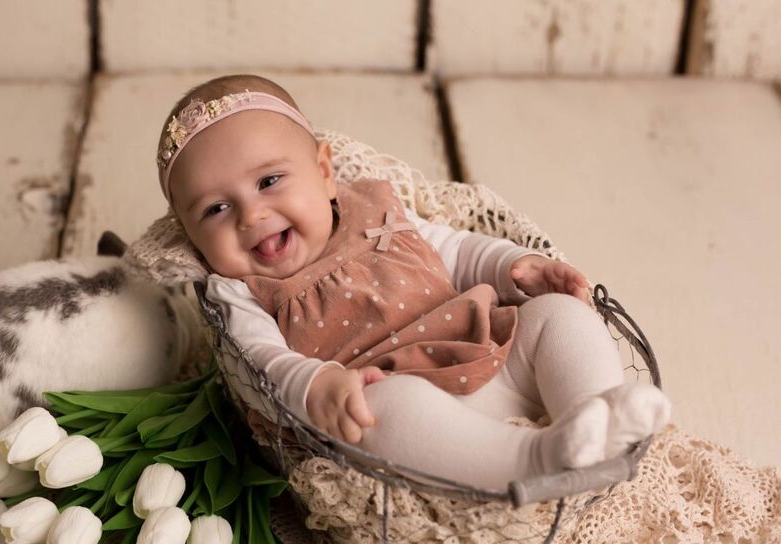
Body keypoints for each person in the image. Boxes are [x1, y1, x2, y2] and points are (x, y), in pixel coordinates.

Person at [155, 74, 671, 491]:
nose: (252, 215)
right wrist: (317, 386)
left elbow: (456, 250)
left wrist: (516, 266)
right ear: (191, 235)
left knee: (558, 315)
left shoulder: (375, 206)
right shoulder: (238, 291)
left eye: (269, 181)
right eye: (216, 209)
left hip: (487, 349)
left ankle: (594, 413)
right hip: (408, 413)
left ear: (324, 172)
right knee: (380, 411)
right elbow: (260, 361)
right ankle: (537, 457)